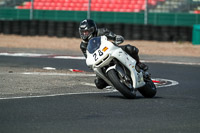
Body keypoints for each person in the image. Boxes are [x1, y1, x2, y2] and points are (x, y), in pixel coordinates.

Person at [79, 19, 148, 89]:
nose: (85, 34)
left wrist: (116, 37)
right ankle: (115, 81)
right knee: (99, 83)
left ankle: (138, 63)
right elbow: (88, 57)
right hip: (99, 61)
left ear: (93, 30)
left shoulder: (101, 31)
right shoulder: (83, 46)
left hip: (111, 51)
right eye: (83, 32)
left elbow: (112, 36)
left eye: (87, 32)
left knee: (130, 49)